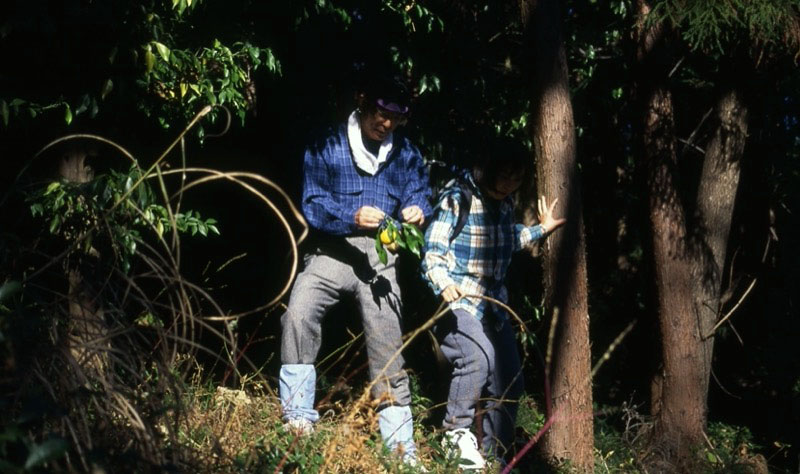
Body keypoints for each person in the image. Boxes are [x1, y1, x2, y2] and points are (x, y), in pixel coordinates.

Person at [278, 75, 432, 465]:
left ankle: (399, 448)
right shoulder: (327, 144)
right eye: (382, 114)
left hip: (381, 255)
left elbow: (419, 191)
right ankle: (297, 416)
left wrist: (417, 209)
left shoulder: (408, 154)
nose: (387, 124)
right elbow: (312, 204)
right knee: (299, 312)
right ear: (364, 104)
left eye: (396, 118)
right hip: (332, 249)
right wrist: (352, 216)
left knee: (387, 339)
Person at [421, 138, 565, 469]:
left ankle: (495, 456)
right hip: (459, 302)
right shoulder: (458, 198)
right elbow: (433, 248)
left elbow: (505, 240)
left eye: (516, 179)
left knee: (511, 381)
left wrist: (540, 230)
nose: (508, 185)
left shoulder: (505, 203)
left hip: (494, 309)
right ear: (487, 168)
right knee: (478, 357)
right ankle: (455, 434)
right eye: (503, 176)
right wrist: (443, 284)